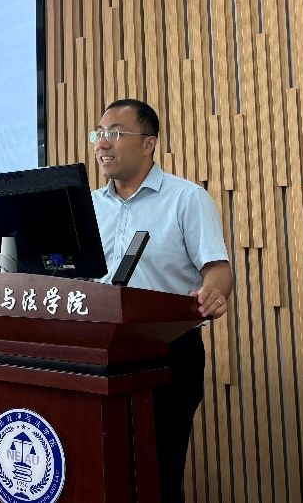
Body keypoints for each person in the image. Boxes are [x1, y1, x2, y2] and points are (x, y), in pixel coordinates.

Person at [89, 98, 233, 503]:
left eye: (115, 133)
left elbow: (217, 268)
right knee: (103, 475)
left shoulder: (186, 198)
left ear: (149, 143)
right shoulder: (89, 206)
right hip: (97, 352)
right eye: (99, 133)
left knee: (157, 477)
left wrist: (213, 292)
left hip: (166, 352)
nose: (102, 143)